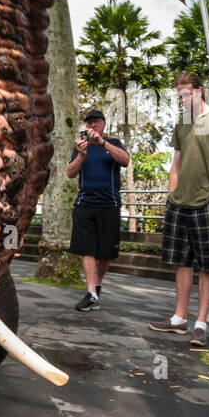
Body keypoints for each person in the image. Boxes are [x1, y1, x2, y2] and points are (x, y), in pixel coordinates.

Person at [148, 71, 209, 348]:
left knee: (207, 265)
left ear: (200, 91)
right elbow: (176, 162)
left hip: (205, 204)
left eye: (186, 94)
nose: (182, 99)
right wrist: (171, 194)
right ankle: (179, 318)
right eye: (179, 95)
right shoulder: (182, 122)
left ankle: (200, 324)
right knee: (182, 262)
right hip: (179, 203)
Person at [66, 108, 129, 311]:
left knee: (106, 253)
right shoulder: (80, 146)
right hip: (85, 203)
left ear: (103, 124)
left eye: (96, 122)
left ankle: (98, 285)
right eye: (89, 123)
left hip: (109, 204)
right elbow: (70, 173)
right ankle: (91, 292)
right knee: (87, 248)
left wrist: (102, 143)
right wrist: (82, 155)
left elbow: (125, 160)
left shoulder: (114, 143)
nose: (92, 126)